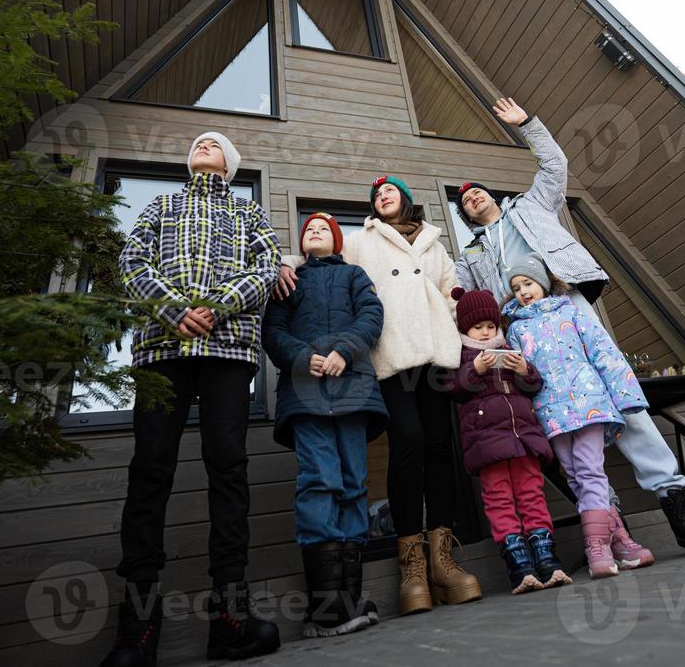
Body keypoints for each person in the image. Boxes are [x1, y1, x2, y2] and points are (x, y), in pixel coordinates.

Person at [455, 97, 685, 558]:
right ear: (465, 216)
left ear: (492, 195)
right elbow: (453, 296)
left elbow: (554, 164)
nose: (472, 196)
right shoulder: (472, 256)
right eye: (465, 200)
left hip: (566, 306)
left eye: (477, 190)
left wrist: (528, 124)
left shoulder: (531, 207)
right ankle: (610, 532)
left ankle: (680, 509)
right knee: (558, 423)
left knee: (619, 392)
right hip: (523, 332)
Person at [104, 132, 281, 667]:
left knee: (227, 464)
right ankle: (137, 627)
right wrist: (175, 310)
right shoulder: (162, 204)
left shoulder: (248, 214)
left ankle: (230, 615)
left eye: (215, 142)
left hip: (228, 350)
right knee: (150, 468)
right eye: (198, 142)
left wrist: (215, 307)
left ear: (230, 163)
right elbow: (132, 262)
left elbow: (266, 266)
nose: (204, 143)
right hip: (163, 349)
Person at [275, 175, 482, 615]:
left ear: (406, 199)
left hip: (434, 350)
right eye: (376, 194)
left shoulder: (434, 240)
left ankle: (443, 562)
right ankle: (412, 569)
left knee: (441, 449)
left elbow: (450, 289)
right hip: (392, 352)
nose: (383, 196)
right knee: (408, 443)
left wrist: (453, 316)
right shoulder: (359, 240)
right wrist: (283, 264)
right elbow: (322, 260)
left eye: (390, 191)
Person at [262, 213, 387, 637]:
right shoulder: (289, 281)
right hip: (305, 396)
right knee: (319, 481)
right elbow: (273, 332)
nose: (314, 232)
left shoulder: (355, 275)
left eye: (323, 229)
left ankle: (349, 600)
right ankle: (326, 608)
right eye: (308, 229)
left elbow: (371, 316)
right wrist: (302, 357)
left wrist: (345, 351)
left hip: (354, 391)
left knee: (353, 484)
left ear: (335, 241)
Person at [502, 254, 649, 579]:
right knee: (575, 477)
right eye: (516, 288)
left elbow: (603, 352)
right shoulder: (516, 330)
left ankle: (596, 546)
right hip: (550, 414)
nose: (523, 291)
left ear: (542, 283)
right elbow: (525, 379)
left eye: (527, 283)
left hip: (587, 405)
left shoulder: (571, 313)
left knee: (591, 472)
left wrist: (625, 398)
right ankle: (622, 543)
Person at [444, 286, 570, 594]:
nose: (486, 333)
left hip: (524, 440)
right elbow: (453, 388)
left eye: (490, 326)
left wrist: (524, 369)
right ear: (465, 329)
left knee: (532, 497)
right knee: (499, 500)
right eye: (478, 327)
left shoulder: (511, 348)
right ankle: (519, 566)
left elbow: (535, 384)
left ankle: (547, 560)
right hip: (489, 445)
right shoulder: (461, 356)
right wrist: (475, 369)